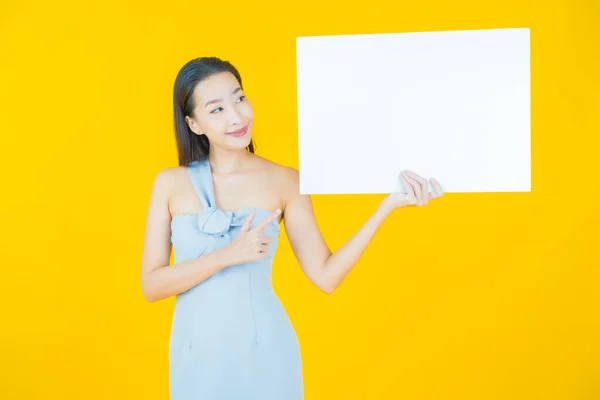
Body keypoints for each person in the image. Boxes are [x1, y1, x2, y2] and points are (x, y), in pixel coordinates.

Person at [140, 56, 444, 400]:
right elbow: (152, 286)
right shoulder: (170, 184)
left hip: (266, 351)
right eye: (217, 109)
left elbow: (326, 277)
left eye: (239, 99)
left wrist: (386, 206)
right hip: (196, 354)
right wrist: (226, 256)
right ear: (194, 124)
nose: (237, 117)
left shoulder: (285, 181)